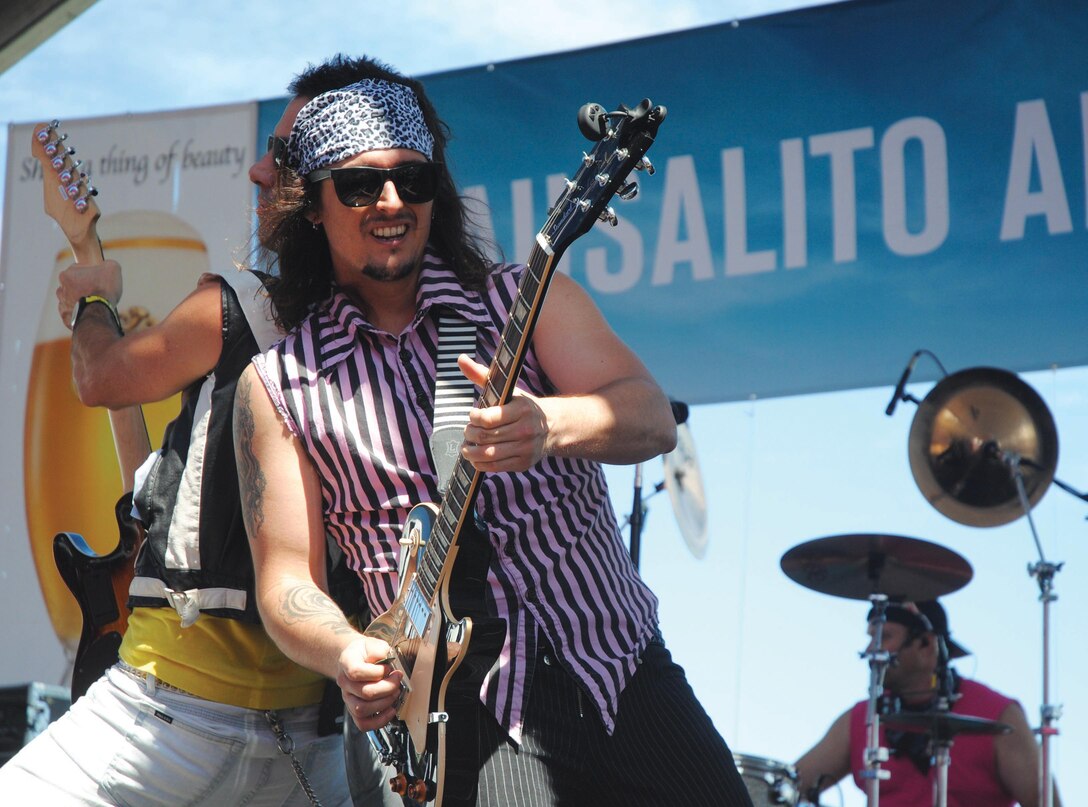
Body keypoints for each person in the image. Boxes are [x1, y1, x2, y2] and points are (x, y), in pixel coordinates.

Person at [233, 56, 754, 807]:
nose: (390, 201)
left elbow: (646, 413)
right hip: (462, 715)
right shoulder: (277, 384)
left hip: (619, 666)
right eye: (359, 184)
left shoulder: (518, 298)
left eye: (412, 180)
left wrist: (551, 425)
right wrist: (347, 650)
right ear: (314, 206)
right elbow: (286, 578)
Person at [0, 57, 400, 807]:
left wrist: (93, 296)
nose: (255, 172)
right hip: (317, 745)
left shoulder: (237, 306)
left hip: (165, 719)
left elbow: (99, 377)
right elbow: (165, 500)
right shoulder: (391, 332)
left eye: (281, 157)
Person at [794, 599, 1060, 807]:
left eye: (884, 637)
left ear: (925, 644)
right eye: (870, 638)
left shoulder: (999, 715)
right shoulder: (861, 718)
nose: (870, 651)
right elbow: (787, 788)